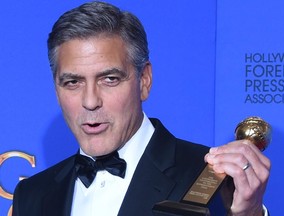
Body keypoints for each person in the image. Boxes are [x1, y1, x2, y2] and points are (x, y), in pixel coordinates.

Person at [12, 1, 270, 216]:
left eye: (109, 79)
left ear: (144, 80)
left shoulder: (211, 178)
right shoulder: (32, 196)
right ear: (56, 90)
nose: (90, 101)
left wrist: (250, 213)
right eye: (73, 82)